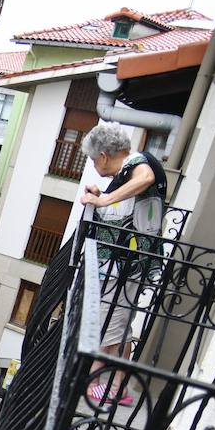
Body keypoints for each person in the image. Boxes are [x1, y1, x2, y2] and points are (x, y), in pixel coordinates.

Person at [78, 122, 168, 406]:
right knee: (120, 322)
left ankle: (102, 382)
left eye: (94, 160)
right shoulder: (125, 171)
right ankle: (117, 386)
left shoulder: (137, 164)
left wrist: (103, 200)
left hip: (127, 262)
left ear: (103, 155)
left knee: (112, 321)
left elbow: (146, 178)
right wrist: (100, 194)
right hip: (128, 261)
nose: (94, 165)